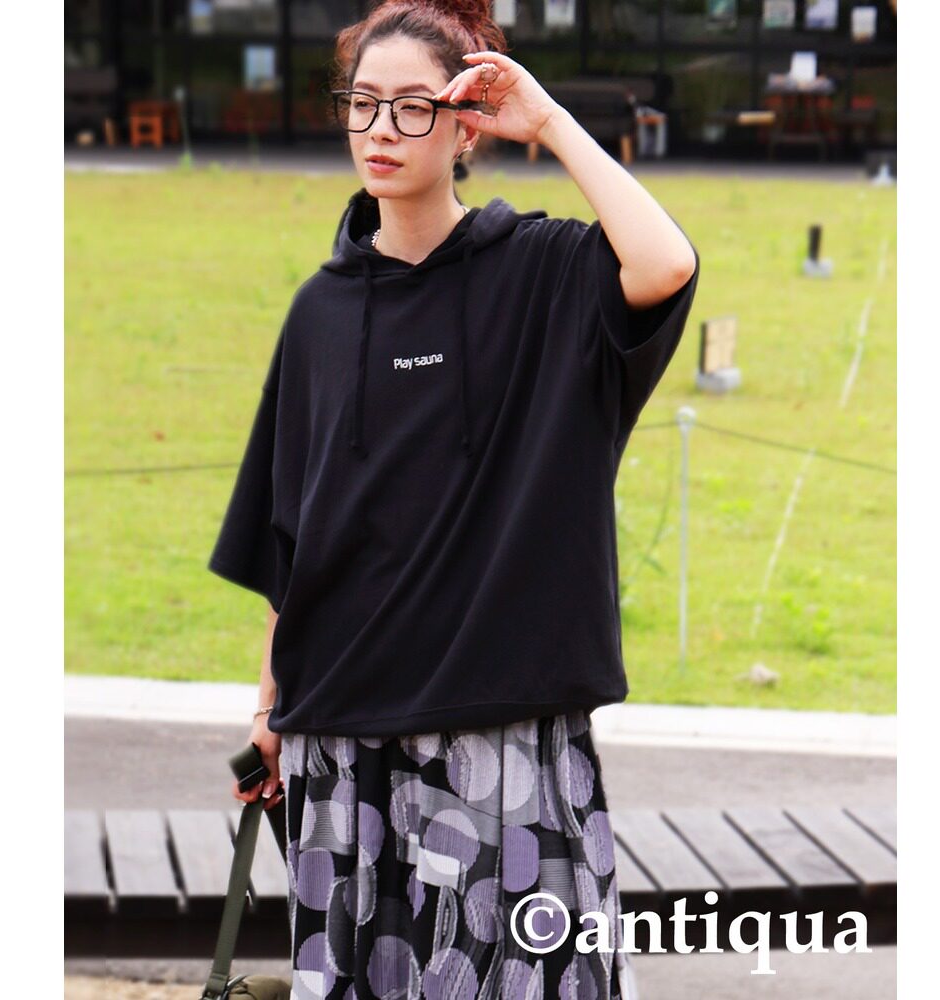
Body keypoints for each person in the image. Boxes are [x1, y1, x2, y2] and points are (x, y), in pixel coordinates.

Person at [208, 2, 700, 997]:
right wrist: (268, 711)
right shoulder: (320, 313)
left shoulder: (544, 272)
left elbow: (664, 265)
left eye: (413, 106)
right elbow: (294, 539)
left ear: (466, 125)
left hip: (503, 735)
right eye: (363, 103)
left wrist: (548, 120)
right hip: (343, 741)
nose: (381, 130)